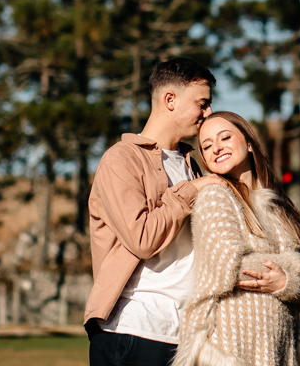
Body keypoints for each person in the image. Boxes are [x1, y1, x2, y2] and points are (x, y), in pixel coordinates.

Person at [85, 57, 221, 366]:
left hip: (186, 335)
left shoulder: (194, 166)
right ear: (169, 100)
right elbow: (142, 237)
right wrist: (190, 192)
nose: (208, 113)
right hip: (135, 331)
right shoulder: (120, 160)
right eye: (202, 103)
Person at [173, 111, 300, 366]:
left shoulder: (280, 208)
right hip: (231, 346)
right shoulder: (215, 196)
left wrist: (286, 283)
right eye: (207, 146)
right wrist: (295, 268)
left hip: (281, 347)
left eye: (225, 137)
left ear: (250, 142)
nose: (216, 148)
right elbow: (232, 266)